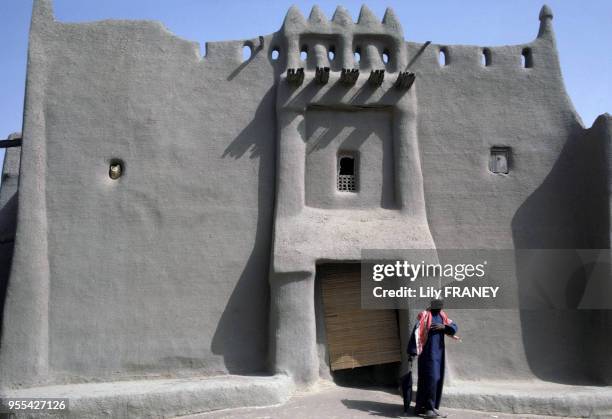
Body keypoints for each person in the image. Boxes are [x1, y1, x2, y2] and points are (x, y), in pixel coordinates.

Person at [407, 299, 458, 418]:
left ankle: (429, 407)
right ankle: (428, 408)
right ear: (433, 306)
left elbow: (454, 326)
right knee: (431, 379)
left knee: (437, 379)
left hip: (439, 354)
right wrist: (412, 352)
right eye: (438, 306)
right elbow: (416, 333)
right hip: (427, 354)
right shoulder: (424, 316)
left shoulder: (443, 316)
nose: (440, 308)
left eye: (441, 306)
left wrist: (444, 327)